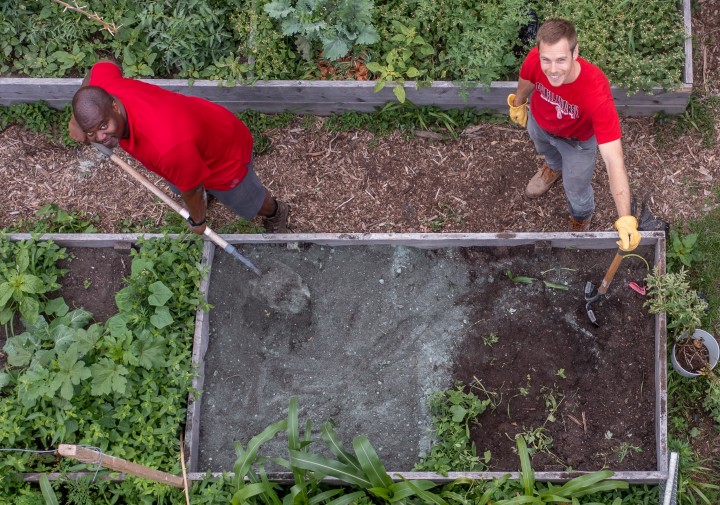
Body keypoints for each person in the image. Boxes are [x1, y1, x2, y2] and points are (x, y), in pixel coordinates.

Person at [68, 60, 290, 234]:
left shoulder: (167, 147)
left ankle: (276, 212)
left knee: (247, 201)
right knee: (182, 183)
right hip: (193, 137)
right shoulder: (104, 90)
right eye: (91, 132)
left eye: (103, 126)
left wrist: (198, 220)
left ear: (114, 106)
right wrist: (76, 120)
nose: (100, 137)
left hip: (221, 154)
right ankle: (206, 195)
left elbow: (191, 189)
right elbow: (103, 64)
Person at [507, 18, 640, 252]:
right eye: (546, 59)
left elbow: (613, 159)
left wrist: (625, 217)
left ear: (575, 52)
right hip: (539, 122)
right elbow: (527, 78)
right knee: (545, 149)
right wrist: (518, 102)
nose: (552, 69)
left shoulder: (595, 92)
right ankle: (553, 167)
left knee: (577, 189)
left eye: (561, 59)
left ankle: (581, 216)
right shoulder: (535, 59)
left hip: (576, 143)